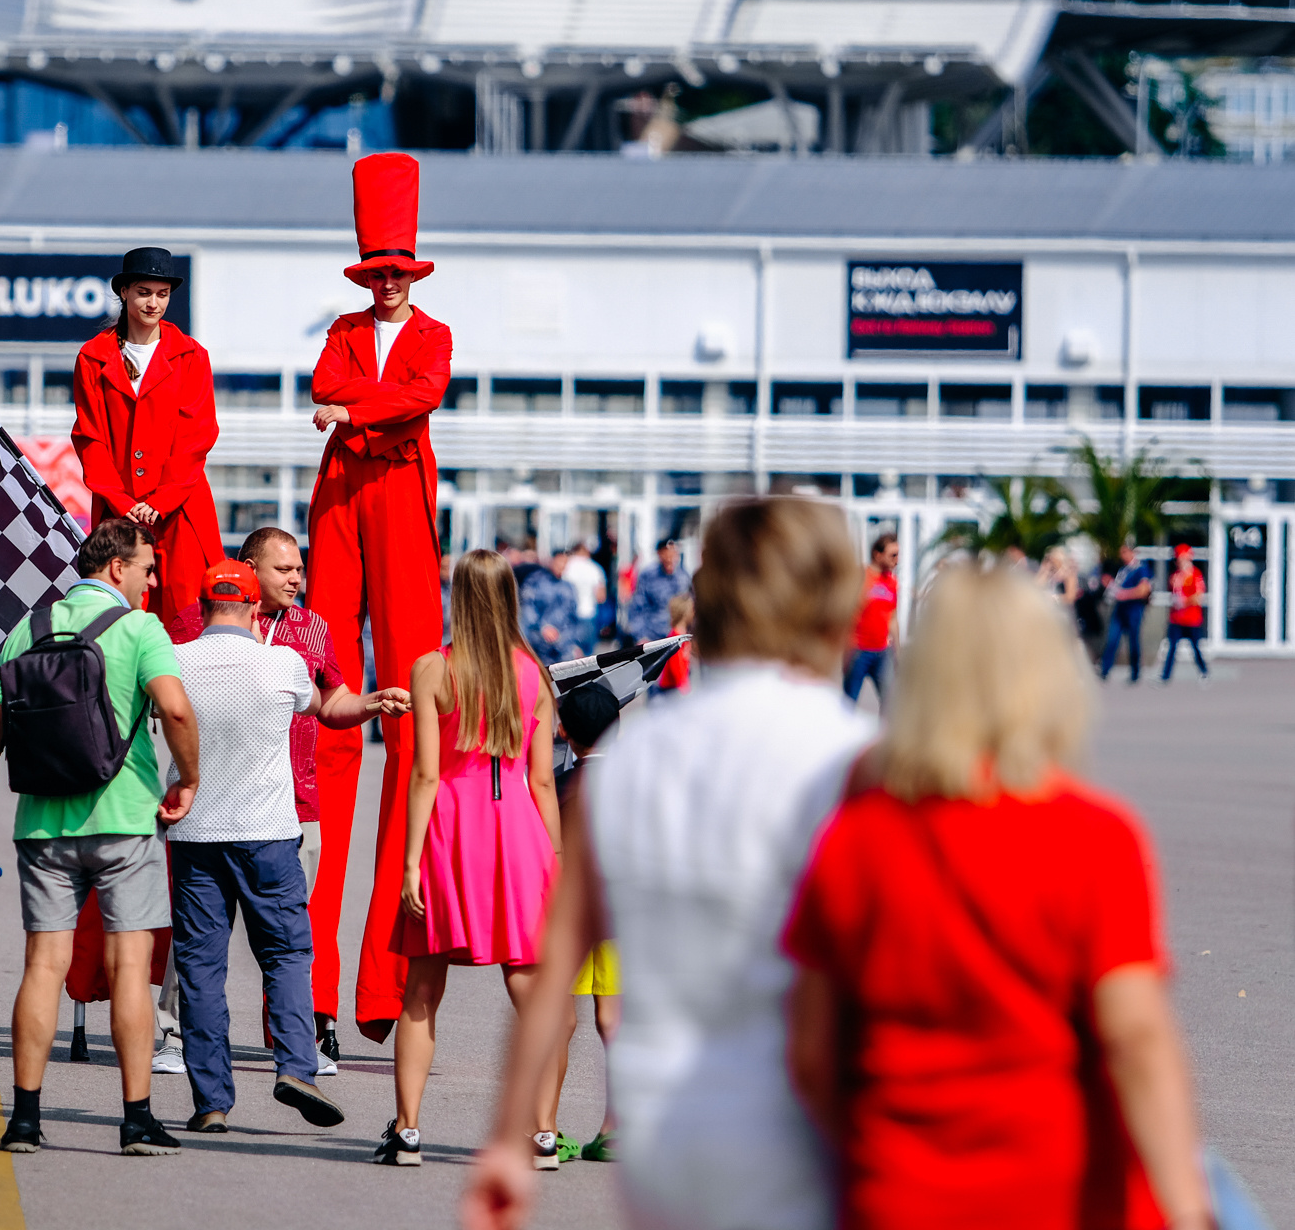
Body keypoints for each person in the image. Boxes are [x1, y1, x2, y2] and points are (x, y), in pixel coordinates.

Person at [462, 497, 870, 1230]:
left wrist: (505, 1137)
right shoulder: (863, 766)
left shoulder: (641, 759)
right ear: (839, 611)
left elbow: (557, 963)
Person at [782, 564, 1213, 1230]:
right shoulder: (1095, 837)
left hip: (901, 1196)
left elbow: (812, 1052)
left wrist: (872, 1157)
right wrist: (1188, 1209)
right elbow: (1134, 1035)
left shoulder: (856, 841)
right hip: (1062, 1192)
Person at [0, 517, 200, 1158]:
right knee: (130, 969)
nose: (153, 579)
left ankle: (24, 1119)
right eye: (147, 567)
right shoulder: (140, 629)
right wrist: (188, 778)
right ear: (117, 568)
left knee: (43, 967)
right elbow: (175, 708)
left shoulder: (27, 629)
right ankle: (136, 1120)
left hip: (42, 825)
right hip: (125, 822)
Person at [162, 526, 408, 1074]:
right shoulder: (194, 621)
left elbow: (331, 703)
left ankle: (298, 1046)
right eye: (284, 569)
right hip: (210, 803)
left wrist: (374, 703)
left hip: (293, 806)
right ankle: (176, 1036)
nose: (296, 578)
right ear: (249, 569)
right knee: (200, 934)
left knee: (290, 935)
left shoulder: (312, 629)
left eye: (299, 569)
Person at [305, 152, 452, 1040]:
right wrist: (373, 404)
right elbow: (330, 385)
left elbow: (420, 395)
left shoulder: (430, 335)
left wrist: (360, 411)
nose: (391, 284)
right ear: (367, 275)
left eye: (400, 273)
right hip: (344, 499)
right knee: (330, 711)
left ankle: (381, 986)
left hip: (397, 493)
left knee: (410, 719)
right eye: (379, 274)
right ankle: (318, 989)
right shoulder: (346, 331)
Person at [377, 550, 560, 1170]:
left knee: (423, 990)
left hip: (452, 834)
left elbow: (426, 774)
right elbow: (541, 782)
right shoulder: (533, 674)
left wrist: (408, 863)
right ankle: (543, 1132)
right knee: (534, 990)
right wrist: (555, 855)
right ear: (510, 599)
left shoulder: (433, 670)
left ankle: (407, 1130)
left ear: (458, 599)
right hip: (519, 836)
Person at [166, 560, 346, 1135]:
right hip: (268, 832)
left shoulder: (175, 662)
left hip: (197, 835)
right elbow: (317, 707)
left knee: (199, 969)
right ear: (251, 609)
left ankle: (212, 1103)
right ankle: (297, 1067)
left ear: (204, 606)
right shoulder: (283, 661)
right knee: (288, 956)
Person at [70, 246, 223, 625]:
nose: (153, 303)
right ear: (123, 292)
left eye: (162, 293)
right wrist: (122, 502)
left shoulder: (191, 356)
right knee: (117, 618)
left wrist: (162, 498)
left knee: (186, 615)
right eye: (143, 292)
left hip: (181, 509)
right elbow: (90, 437)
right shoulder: (92, 356)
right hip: (119, 513)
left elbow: (198, 435)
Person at [551, 681, 621, 1166]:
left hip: (570, 914)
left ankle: (546, 1128)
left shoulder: (559, 784)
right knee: (613, 1021)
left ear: (564, 732)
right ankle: (615, 1130)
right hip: (619, 919)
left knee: (559, 1020)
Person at [843, 531, 898, 708]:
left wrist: (897, 652)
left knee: (891, 703)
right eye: (893, 555)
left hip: (882, 651)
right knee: (848, 703)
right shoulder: (861, 577)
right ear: (877, 554)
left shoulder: (892, 582)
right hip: (859, 650)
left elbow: (892, 618)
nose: (897, 560)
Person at [507, 541, 582, 666]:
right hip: (539, 644)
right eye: (560, 562)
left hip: (562, 648)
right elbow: (528, 611)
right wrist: (543, 628)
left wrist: (570, 641)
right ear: (552, 561)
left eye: (565, 563)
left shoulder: (569, 588)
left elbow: (573, 618)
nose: (562, 566)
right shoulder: (536, 582)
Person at [1099, 540, 1154, 684]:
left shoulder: (1140, 569)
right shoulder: (1123, 570)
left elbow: (1144, 590)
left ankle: (1135, 672)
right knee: (1112, 639)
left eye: (1125, 552)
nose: (1122, 556)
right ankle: (1105, 670)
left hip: (1134, 609)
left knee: (1133, 641)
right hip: (1120, 609)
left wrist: (1124, 594)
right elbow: (1116, 588)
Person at [620, 538, 689, 647]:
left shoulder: (684, 577)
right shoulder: (648, 575)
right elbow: (637, 607)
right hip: (652, 639)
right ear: (659, 554)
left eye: (673, 554)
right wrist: (641, 637)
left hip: (676, 639)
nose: (670, 559)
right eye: (666, 554)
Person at [1161, 544, 1208, 685]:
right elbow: (1173, 593)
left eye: (1182, 558)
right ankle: (1165, 676)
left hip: (1191, 618)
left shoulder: (1195, 574)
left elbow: (1198, 595)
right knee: (1172, 647)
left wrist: (1184, 601)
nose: (1179, 561)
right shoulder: (1175, 576)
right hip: (1176, 618)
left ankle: (1204, 672)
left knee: (1195, 648)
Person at [556, 543, 607, 649]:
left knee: (569, 655)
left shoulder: (566, 566)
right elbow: (601, 597)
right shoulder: (595, 568)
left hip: (568, 615)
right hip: (588, 613)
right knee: (588, 658)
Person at [652, 594, 694, 693]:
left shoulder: (683, 634)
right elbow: (676, 663)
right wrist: (683, 684)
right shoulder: (676, 637)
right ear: (685, 614)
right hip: (671, 688)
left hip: (676, 685)